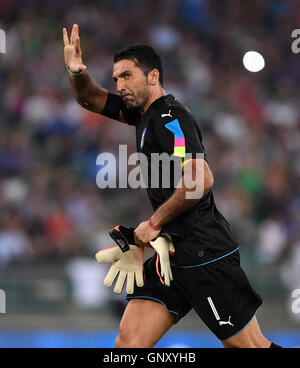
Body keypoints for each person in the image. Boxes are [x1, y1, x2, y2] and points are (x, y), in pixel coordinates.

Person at [63, 24, 282, 348]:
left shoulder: (170, 119)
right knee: (128, 343)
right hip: (172, 255)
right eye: (116, 79)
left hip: (205, 252)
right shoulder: (143, 116)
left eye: (127, 76)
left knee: (248, 347)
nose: (120, 85)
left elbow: (200, 179)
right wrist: (77, 71)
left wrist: (153, 223)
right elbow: (92, 100)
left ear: (152, 77)